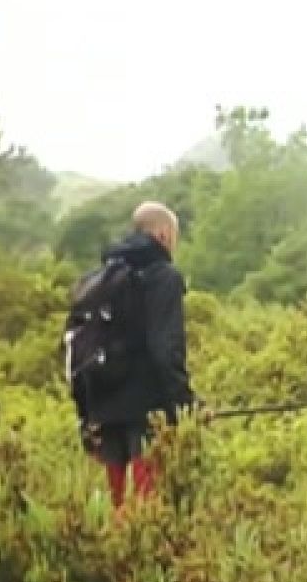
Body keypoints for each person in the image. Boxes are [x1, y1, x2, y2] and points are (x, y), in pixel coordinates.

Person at [78, 201, 209, 510]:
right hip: (148, 413)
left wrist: (87, 415)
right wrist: (187, 406)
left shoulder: (99, 278)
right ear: (163, 234)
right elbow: (166, 350)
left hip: (101, 409)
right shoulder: (164, 277)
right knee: (147, 510)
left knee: (114, 510)